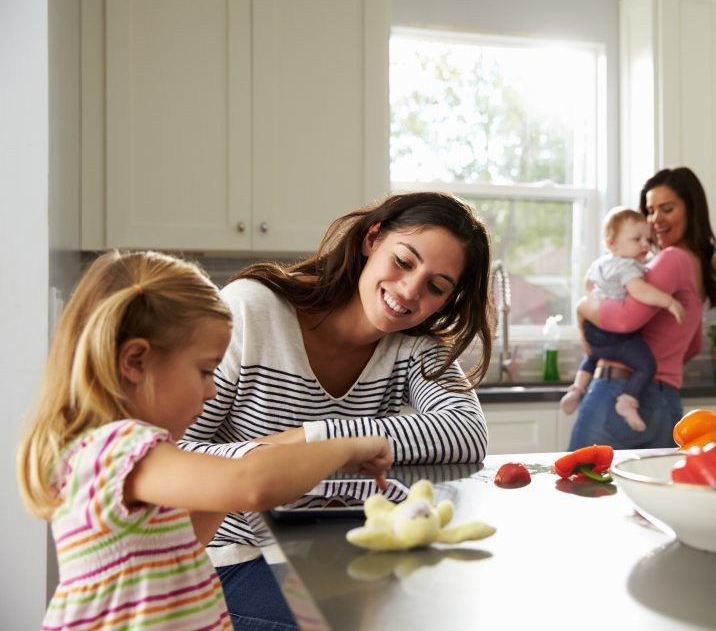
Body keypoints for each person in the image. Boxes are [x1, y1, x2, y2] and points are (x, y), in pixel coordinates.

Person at [16, 250, 393, 630]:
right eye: (204, 370)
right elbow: (250, 485)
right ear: (135, 362)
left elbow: (178, 547)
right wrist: (346, 445)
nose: (212, 390)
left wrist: (233, 482)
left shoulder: (129, 456)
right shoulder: (116, 450)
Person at [179, 191, 494, 629]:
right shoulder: (253, 310)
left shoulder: (414, 343)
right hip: (232, 556)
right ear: (372, 239)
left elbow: (465, 433)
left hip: (340, 550)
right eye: (403, 261)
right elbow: (173, 452)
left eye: (436, 286)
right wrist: (275, 461)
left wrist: (315, 438)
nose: (409, 291)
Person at [567, 167, 716, 450]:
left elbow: (626, 319)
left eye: (667, 209)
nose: (655, 221)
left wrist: (582, 307)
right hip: (666, 404)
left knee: (582, 490)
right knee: (651, 493)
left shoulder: (672, 259)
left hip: (620, 395)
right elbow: (692, 346)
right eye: (650, 211)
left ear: (692, 210)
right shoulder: (696, 265)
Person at [559, 206, 684, 432]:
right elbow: (639, 291)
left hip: (592, 331)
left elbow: (588, 287)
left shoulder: (600, 263)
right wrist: (669, 301)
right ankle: (627, 401)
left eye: (648, 238)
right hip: (616, 336)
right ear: (612, 244)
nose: (645, 244)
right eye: (636, 239)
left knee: (592, 356)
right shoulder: (628, 266)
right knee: (646, 365)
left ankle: (577, 389)